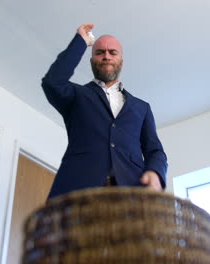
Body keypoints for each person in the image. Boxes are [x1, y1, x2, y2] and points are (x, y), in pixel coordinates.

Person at [42, 24, 168, 199]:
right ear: (92, 60)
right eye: (100, 52)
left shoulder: (142, 107)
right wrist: (80, 42)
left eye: (112, 53)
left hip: (131, 195)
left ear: (121, 61)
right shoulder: (76, 96)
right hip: (78, 191)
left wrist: (155, 172)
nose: (106, 57)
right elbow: (52, 82)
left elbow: (154, 150)